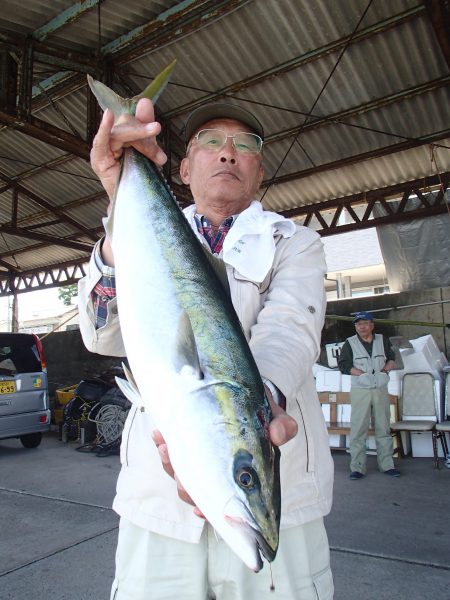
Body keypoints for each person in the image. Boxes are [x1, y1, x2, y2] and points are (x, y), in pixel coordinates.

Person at [78, 97, 334, 599]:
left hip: (280, 487)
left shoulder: (295, 243)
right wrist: (118, 187)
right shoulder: (138, 229)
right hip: (158, 503)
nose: (227, 154)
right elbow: (100, 332)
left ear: (259, 168)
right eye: (211, 142)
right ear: (185, 164)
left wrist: (261, 402)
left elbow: (289, 331)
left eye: (245, 145)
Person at [337, 311, 400, 480]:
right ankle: (357, 467)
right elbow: (343, 365)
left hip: (380, 388)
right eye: (358, 324)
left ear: (372, 325)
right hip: (361, 390)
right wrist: (360, 374)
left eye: (365, 323)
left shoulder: (382, 340)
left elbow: (392, 358)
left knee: (383, 427)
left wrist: (385, 371)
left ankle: (387, 465)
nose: (361, 327)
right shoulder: (349, 343)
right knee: (358, 429)